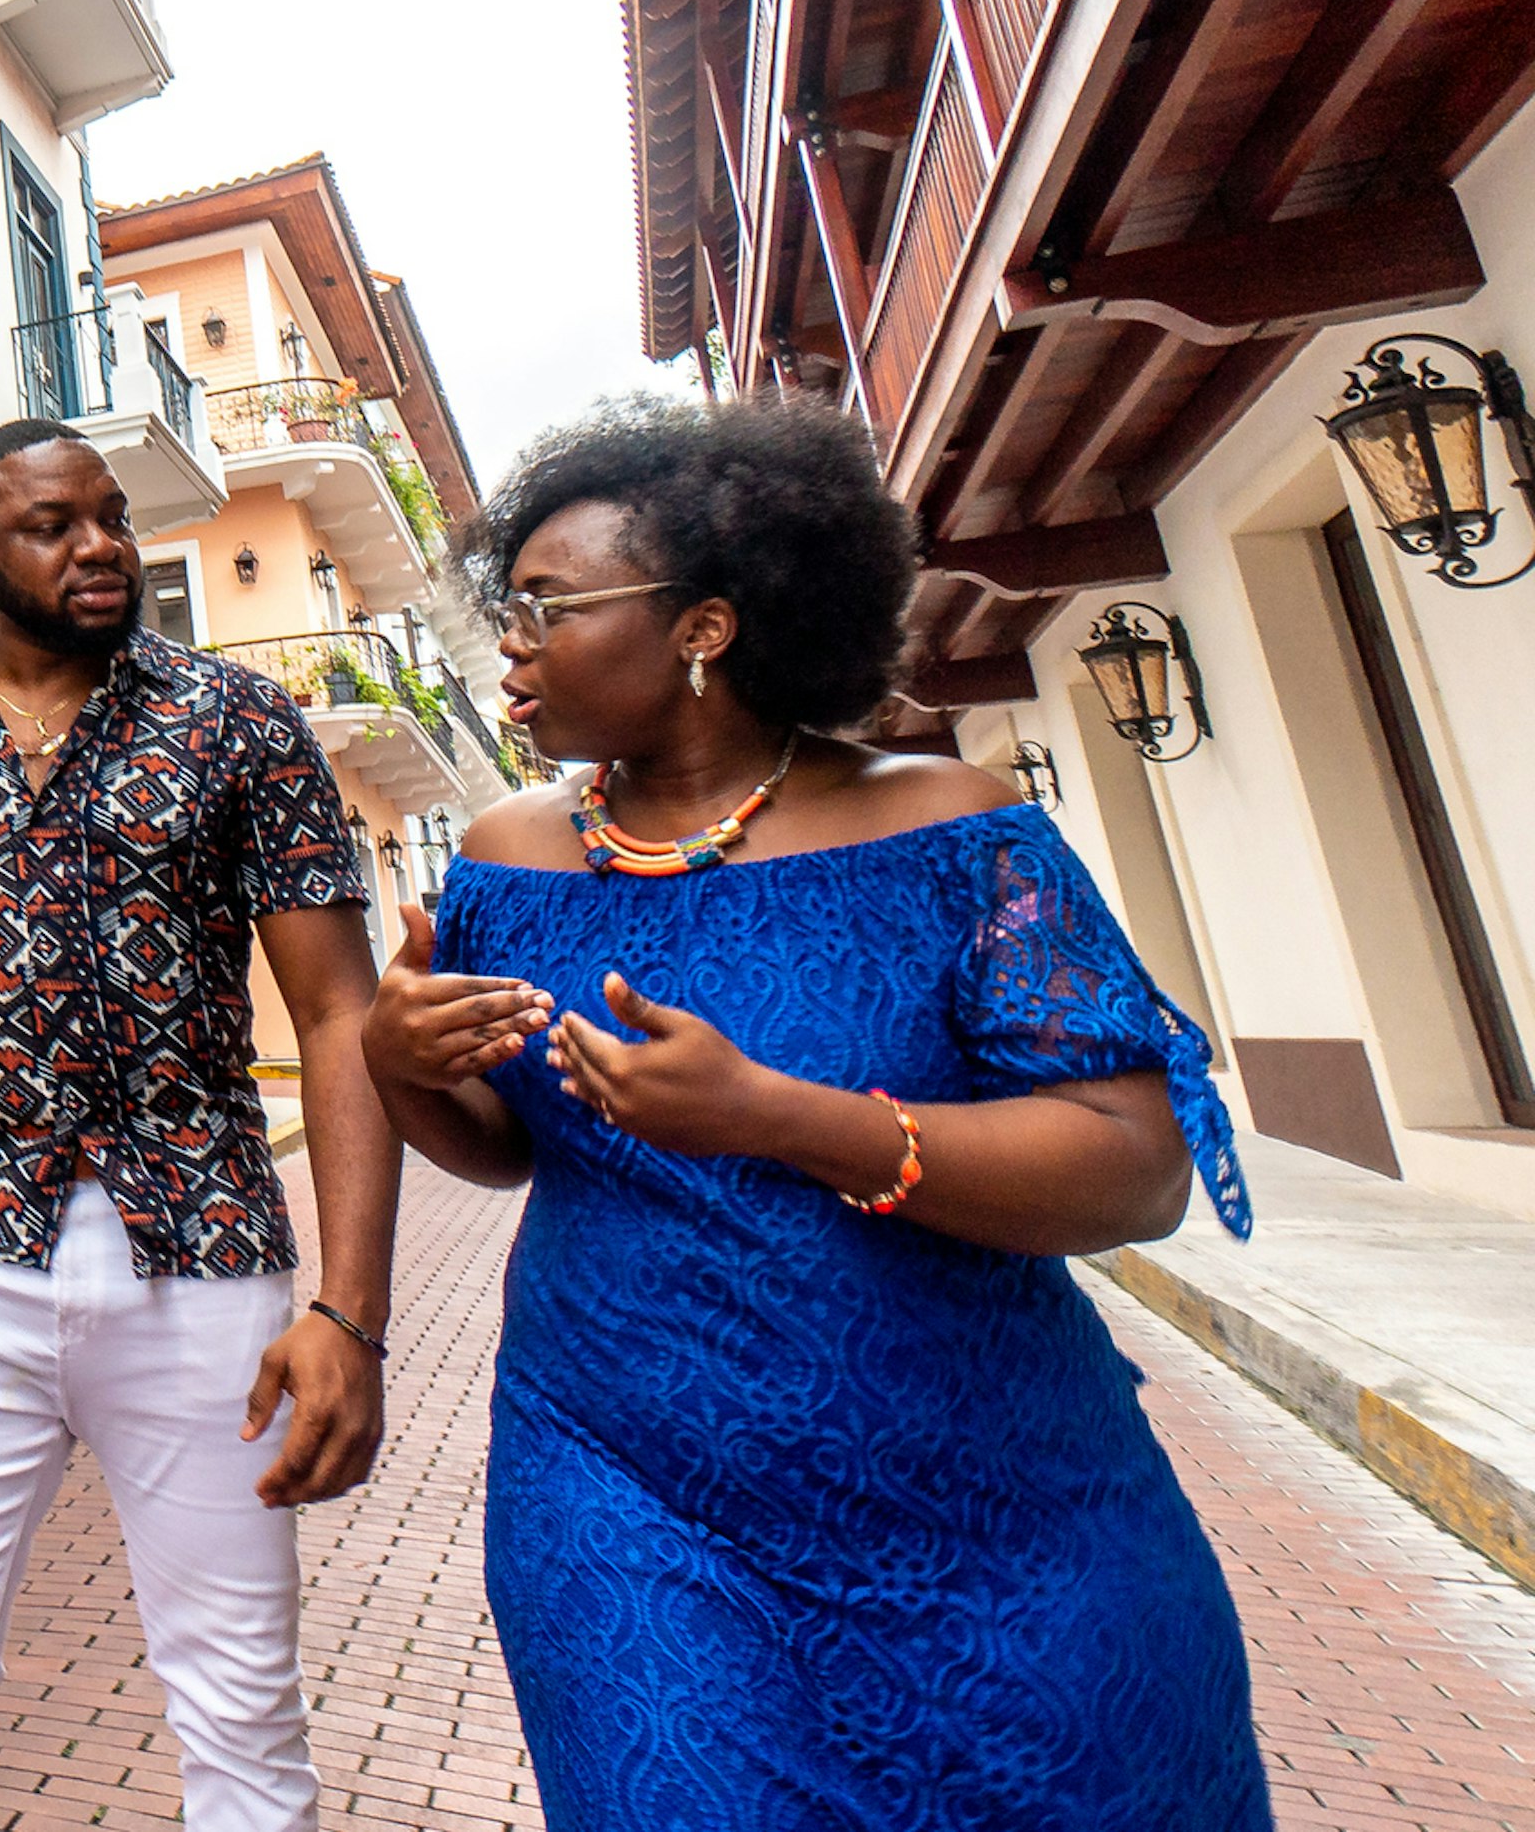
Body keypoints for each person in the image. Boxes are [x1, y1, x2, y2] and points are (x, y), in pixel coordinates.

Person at [367, 397, 1265, 1832]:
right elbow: (504, 1140)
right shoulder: (502, 857)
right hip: (623, 1484)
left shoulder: (951, 830)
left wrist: (776, 1115)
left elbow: (1133, 1162)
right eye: (508, 610)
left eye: (547, 605)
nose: (511, 647)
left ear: (705, 626)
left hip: (994, 1497)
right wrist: (402, 1051)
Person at [0, 418, 402, 1830]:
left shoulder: (240, 726)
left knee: (237, 1693)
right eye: (54, 523)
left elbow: (340, 1015)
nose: (101, 543)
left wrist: (351, 1308)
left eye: (110, 516)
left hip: (198, 1241)